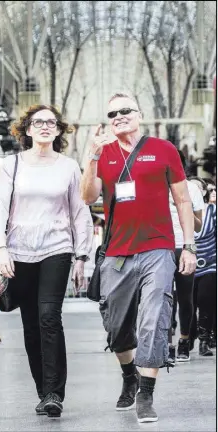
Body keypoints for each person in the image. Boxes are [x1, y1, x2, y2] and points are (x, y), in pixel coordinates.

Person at [81, 92, 197, 423]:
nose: (118, 116)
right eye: (111, 113)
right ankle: (129, 374)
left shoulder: (163, 150)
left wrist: (188, 245)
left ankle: (146, 392)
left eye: (125, 110)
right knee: (117, 328)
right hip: (116, 253)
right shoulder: (102, 155)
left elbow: (183, 200)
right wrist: (91, 155)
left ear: (140, 114)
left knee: (155, 316)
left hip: (158, 248)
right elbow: (87, 197)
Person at [0, 104, 93, 418]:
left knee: (49, 316)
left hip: (56, 249)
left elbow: (78, 212)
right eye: (38, 122)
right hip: (19, 253)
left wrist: (81, 255)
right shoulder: (12, 165)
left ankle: (54, 394)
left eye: (51, 122)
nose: (45, 126)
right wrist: (1, 249)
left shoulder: (69, 167)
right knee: (31, 325)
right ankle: (43, 391)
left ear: (59, 130)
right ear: (28, 129)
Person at [168, 151, 205, 363]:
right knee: (164, 298)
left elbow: (198, 226)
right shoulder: (157, 185)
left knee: (185, 297)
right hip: (162, 247)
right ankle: (167, 343)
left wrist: (182, 207)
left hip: (185, 247)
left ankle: (184, 339)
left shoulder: (191, 188)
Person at [189, 178, 216, 355]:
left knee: (206, 302)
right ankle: (188, 338)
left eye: (198, 188)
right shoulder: (179, 210)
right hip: (186, 263)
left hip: (210, 263)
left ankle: (204, 341)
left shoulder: (213, 211)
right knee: (188, 304)